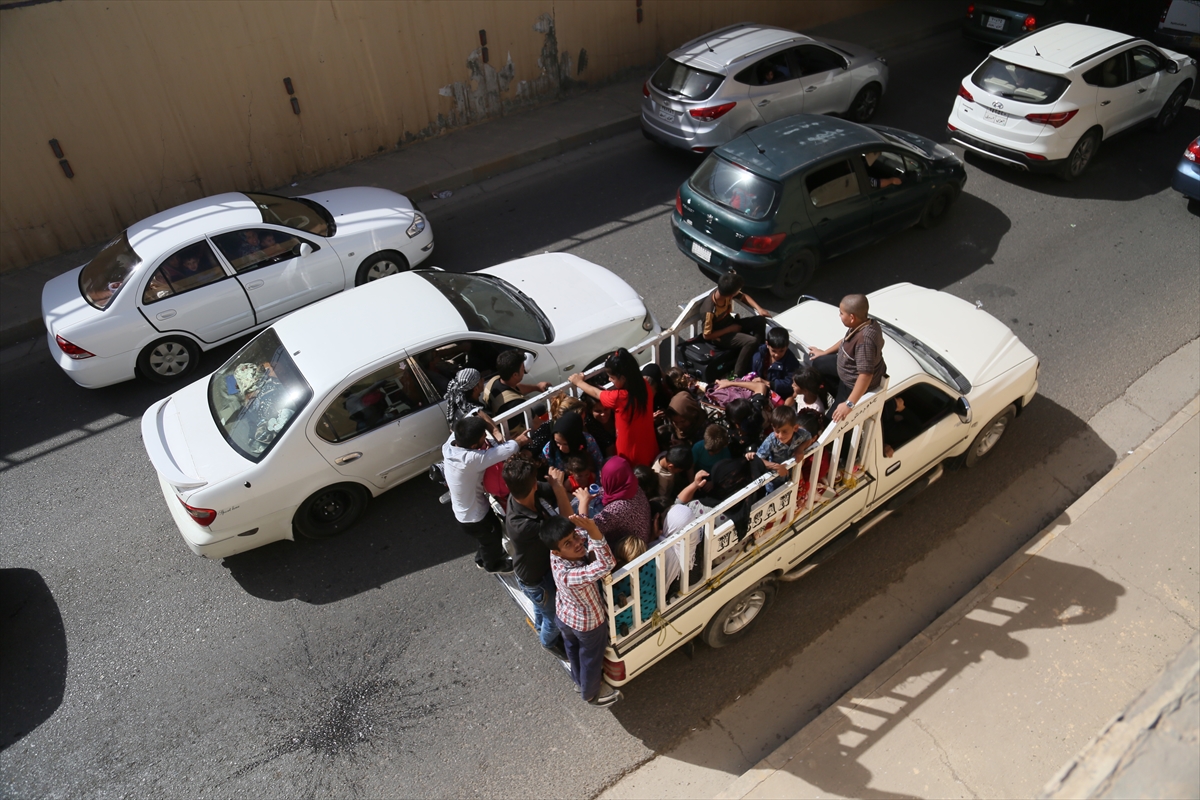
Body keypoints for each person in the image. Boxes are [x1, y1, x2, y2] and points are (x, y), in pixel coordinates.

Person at [541, 515, 622, 707]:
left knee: (574, 651)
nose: (578, 543)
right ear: (558, 551)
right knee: (591, 660)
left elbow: (581, 534)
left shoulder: (555, 556)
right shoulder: (570, 576)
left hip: (565, 616)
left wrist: (586, 528)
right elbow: (607, 564)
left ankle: (578, 681)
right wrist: (595, 532)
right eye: (568, 543)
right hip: (589, 625)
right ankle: (590, 694)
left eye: (575, 536)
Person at [502, 458, 572, 659]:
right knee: (555, 617)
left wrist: (559, 486)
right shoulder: (521, 525)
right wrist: (559, 489)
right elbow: (565, 527)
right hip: (536, 579)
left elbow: (551, 489)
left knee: (542, 608)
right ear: (533, 484)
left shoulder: (520, 492)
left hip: (537, 572)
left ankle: (540, 625)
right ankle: (548, 642)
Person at [441, 416, 527, 573]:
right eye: (483, 437)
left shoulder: (449, 445)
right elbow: (506, 450)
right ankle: (492, 565)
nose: (486, 437)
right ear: (474, 445)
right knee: (491, 540)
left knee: (484, 540)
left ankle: (481, 559)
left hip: (464, 514)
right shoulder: (471, 459)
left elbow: (475, 413)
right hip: (476, 517)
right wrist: (520, 440)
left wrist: (494, 430)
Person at [569, 348, 658, 467]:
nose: (610, 380)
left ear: (623, 378)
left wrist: (578, 382)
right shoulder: (645, 385)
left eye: (612, 377)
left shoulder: (619, 397)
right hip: (649, 446)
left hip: (629, 455)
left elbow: (596, 393)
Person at [808, 294, 887, 423]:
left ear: (852, 317)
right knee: (818, 364)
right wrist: (824, 352)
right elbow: (845, 341)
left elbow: (865, 375)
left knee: (830, 421)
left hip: (852, 383)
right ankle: (836, 392)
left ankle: (841, 400)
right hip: (844, 368)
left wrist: (849, 404)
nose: (839, 316)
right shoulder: (863, 324)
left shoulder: (864, 341)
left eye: (841, 313)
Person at [698, 272, 773, 378]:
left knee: (759, 321)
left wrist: (759, 309)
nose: (739, 292)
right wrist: (729, 329)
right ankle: (738, 374)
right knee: (751, 341)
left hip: (731, 324)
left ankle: (758, 353)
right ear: (731, 295)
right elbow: (707, 335)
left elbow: (743, 297)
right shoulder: (709, 310)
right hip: (720, 336)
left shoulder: (724, 294)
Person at [586, 456, 653, 546]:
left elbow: (589, 530)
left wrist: (584, 503)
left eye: (603, 477)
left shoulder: (617, 509)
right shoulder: (633, 486)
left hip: (632, 553)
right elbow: (607, 491)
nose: (601, 480)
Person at [754, 405, 813, 491]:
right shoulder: (771, 440)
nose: (780, 436)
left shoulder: (801, 434)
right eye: (777, 431)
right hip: (774, 484)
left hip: (794, 478)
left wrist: (800, 449)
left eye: (785, 431)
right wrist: (776, 467)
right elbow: (757, 459)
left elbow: (809, 438)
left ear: (795, 428)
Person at [481, 350, 551, 416]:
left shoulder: (494, 381)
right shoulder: (516, 403)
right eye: (522, 368)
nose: (524, 369)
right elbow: (536, 424)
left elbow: (515, 388)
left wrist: (537, 387)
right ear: (515, 375)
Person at [443, 368, 500, 438]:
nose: (483, 380)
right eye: (481, 379)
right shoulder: (478, 413)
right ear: (475, 388)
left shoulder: (457, 406)